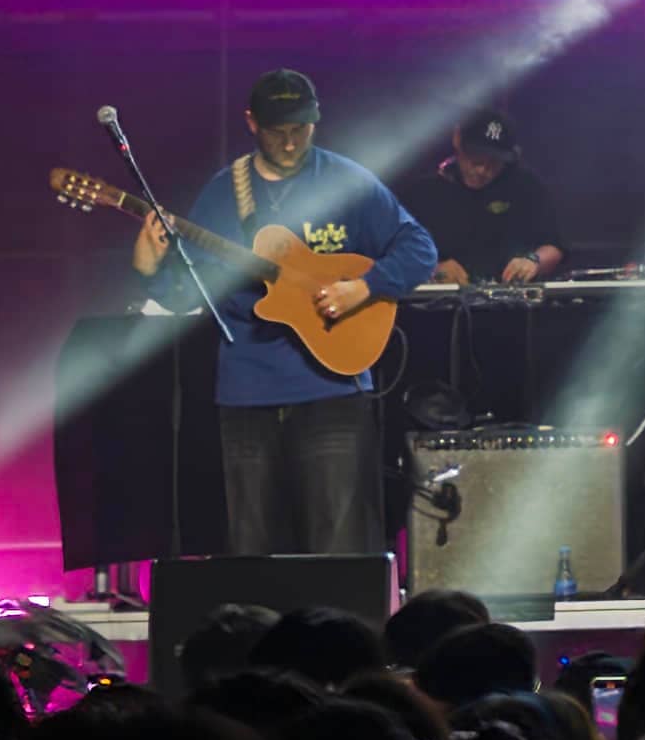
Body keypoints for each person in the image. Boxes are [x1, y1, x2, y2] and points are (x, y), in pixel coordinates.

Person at [130, 66, 438, 557]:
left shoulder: (346, 181)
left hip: (334, 390)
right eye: (278, 131)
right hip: (246, 392)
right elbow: (192, 292)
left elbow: (420, 249)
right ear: (252, 123)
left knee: (340, 546)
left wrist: (364, 287)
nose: (292, 143)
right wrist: (150, 269)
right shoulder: (223, 193)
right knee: (252, 549)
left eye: (301, 129)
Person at [423, 110, 567, 286]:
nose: (483, 170)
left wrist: (533, 261)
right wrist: (433, 268)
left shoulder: (525, 185)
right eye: (475, 159)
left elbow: (553, 246)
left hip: (512, 296)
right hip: (441, 299)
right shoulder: (426, 190)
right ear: (457, 141)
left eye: (494, 162)